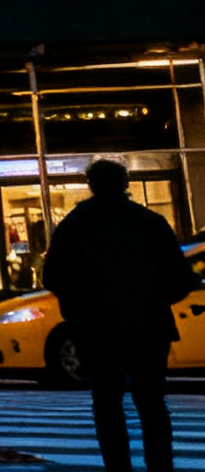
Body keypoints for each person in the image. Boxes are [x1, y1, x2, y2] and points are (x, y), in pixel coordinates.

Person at [45, 159, 196, 472]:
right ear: (125, 183)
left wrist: (77, 310)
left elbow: (53, 277)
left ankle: (118, 467)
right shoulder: (150, 222)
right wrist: (154, 301)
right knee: (152, 401)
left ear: (91, 185)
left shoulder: (75, 225)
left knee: (106, 402)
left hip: (95, 328)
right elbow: (183, 277)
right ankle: (160, 466)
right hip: (148, 325)